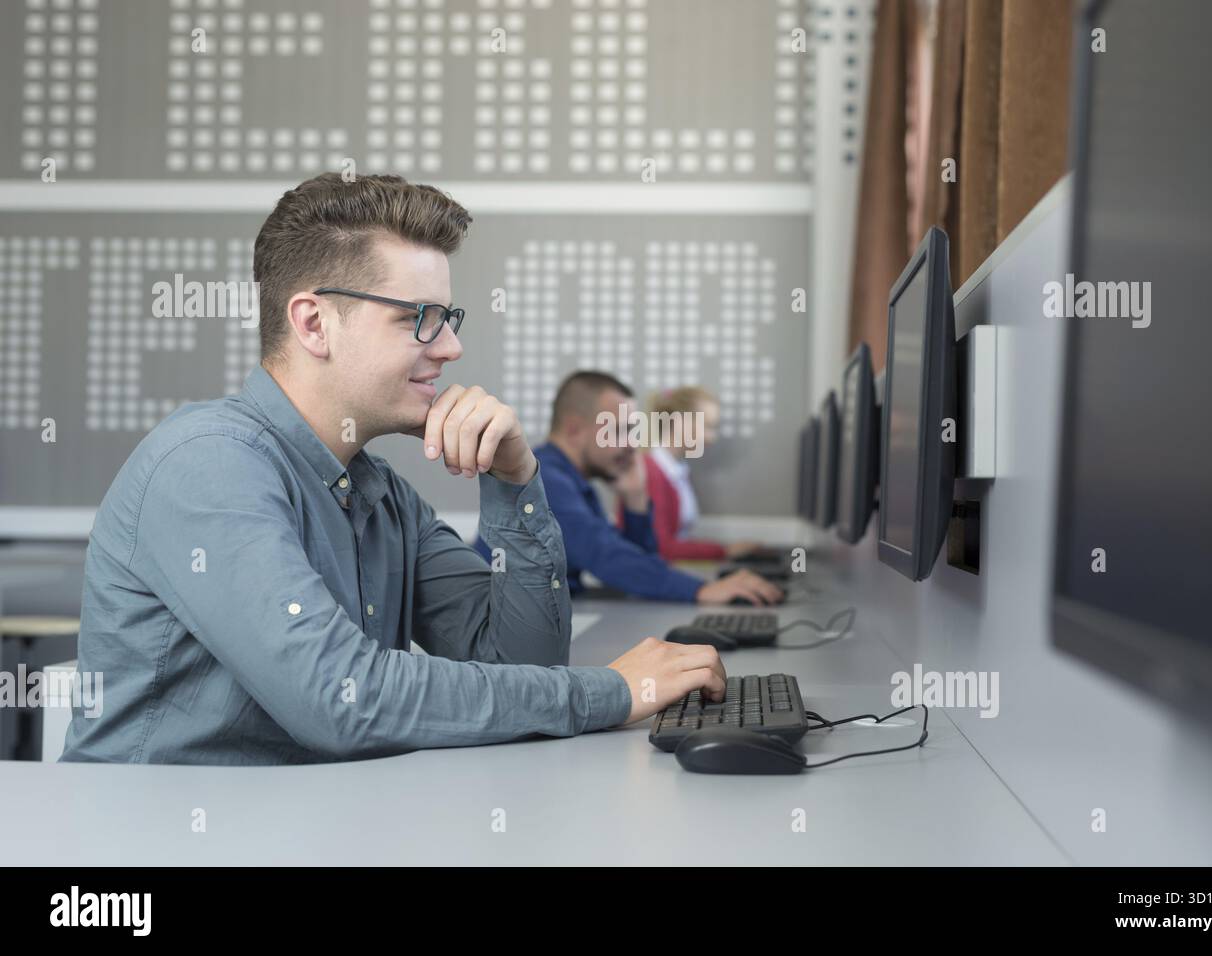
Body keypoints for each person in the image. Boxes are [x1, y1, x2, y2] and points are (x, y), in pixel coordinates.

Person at [63, 173, 725, 765]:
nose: (453, 347)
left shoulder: (381, 495)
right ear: (314, 323)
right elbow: (340, 697)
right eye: (420, 319)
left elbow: (523, 663)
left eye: (449, 318)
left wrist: (516, 485)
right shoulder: (207, 465)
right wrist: (613, 690)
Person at [473, 371, 782, 605]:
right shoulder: (545, 480)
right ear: (574, 429)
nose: (631, 446)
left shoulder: (572, 480)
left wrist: (635, 499)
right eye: (619, 430)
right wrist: (701, 589)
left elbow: (641, 557)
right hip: (499, 630)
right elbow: (606, 556)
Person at [626, 386, 765, 562]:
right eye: (707, 426)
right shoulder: (651, 471)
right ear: (677, 422)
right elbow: (662, 547)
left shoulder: (675, 470)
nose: (712, 437)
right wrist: (724, 551)